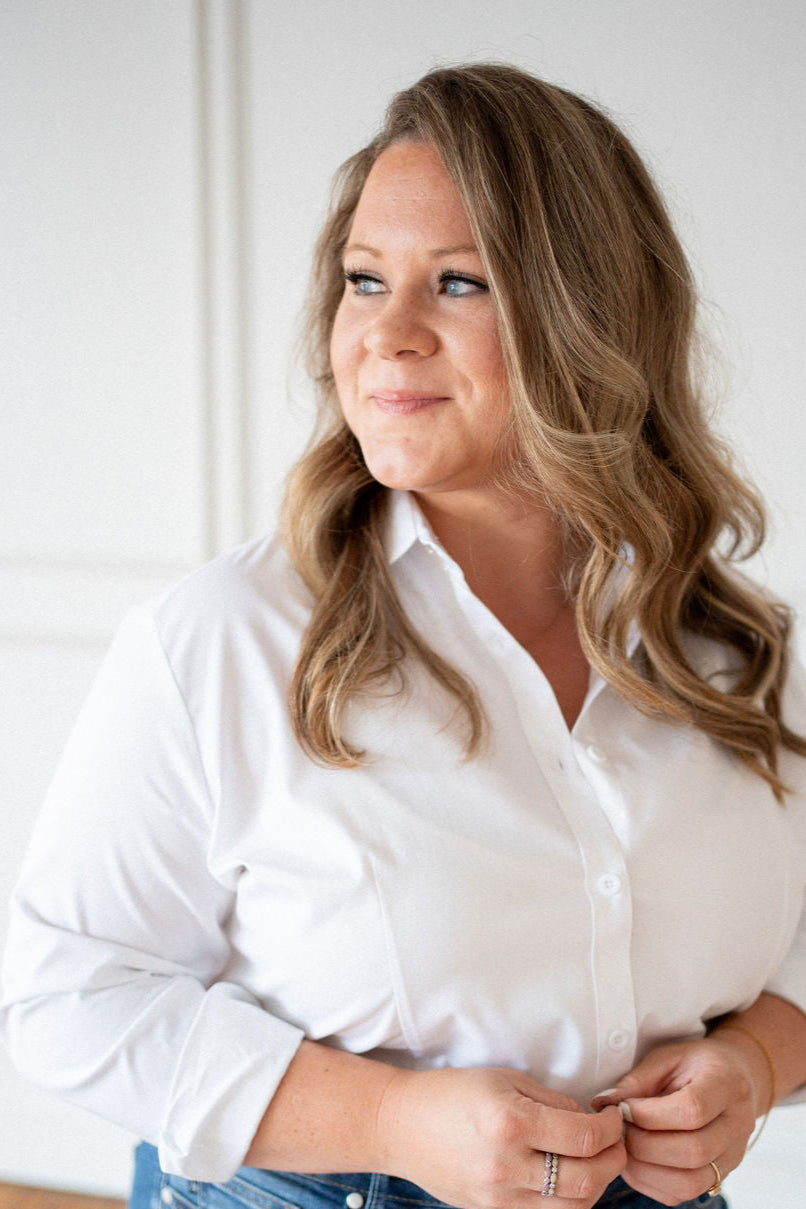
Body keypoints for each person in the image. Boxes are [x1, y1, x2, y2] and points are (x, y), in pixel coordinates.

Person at [2, 63, 806, 1209]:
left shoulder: (732, 651)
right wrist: (387, 1120)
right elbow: (65, 999)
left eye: (459, 284)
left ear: (589, 314)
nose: (384, 334)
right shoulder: (222, 642)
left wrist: (755, 1060)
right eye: (363, 279)